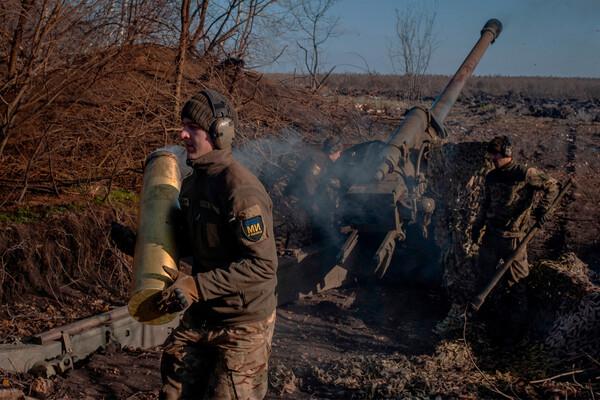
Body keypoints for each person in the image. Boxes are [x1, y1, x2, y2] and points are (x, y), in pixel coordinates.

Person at [158, 89, 278, 399]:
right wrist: (141, 244)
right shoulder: (194, 183)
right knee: (173, 388)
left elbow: (262, 266)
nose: (182, 134)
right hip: (204, 313)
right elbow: (192, 240)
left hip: (243, 323)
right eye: (183, 125)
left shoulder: (241, 191)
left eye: (192, 128)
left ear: (220, 134)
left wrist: (194, 286)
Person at [471, 135, 558, 341]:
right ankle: (482, 327)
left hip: (515, 240)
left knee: (517, 285)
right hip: (492, 236)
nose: (492, 159)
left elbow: (553, 185)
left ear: (506, 154)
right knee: (483, 280)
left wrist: (543, 210)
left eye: (496, 155)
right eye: (491, 155)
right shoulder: (492, 177)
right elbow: (485, 204)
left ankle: (516, 334)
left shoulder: (524, 173)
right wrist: (477, 226)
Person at [285, 135, 344, 244]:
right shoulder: (318, 160)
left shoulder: (324, 161)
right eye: (339, 152)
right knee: (298, 232)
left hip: (303, 199)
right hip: (298, 199)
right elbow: (309, 181)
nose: (340, 155)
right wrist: (314, 203)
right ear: (333, 151)